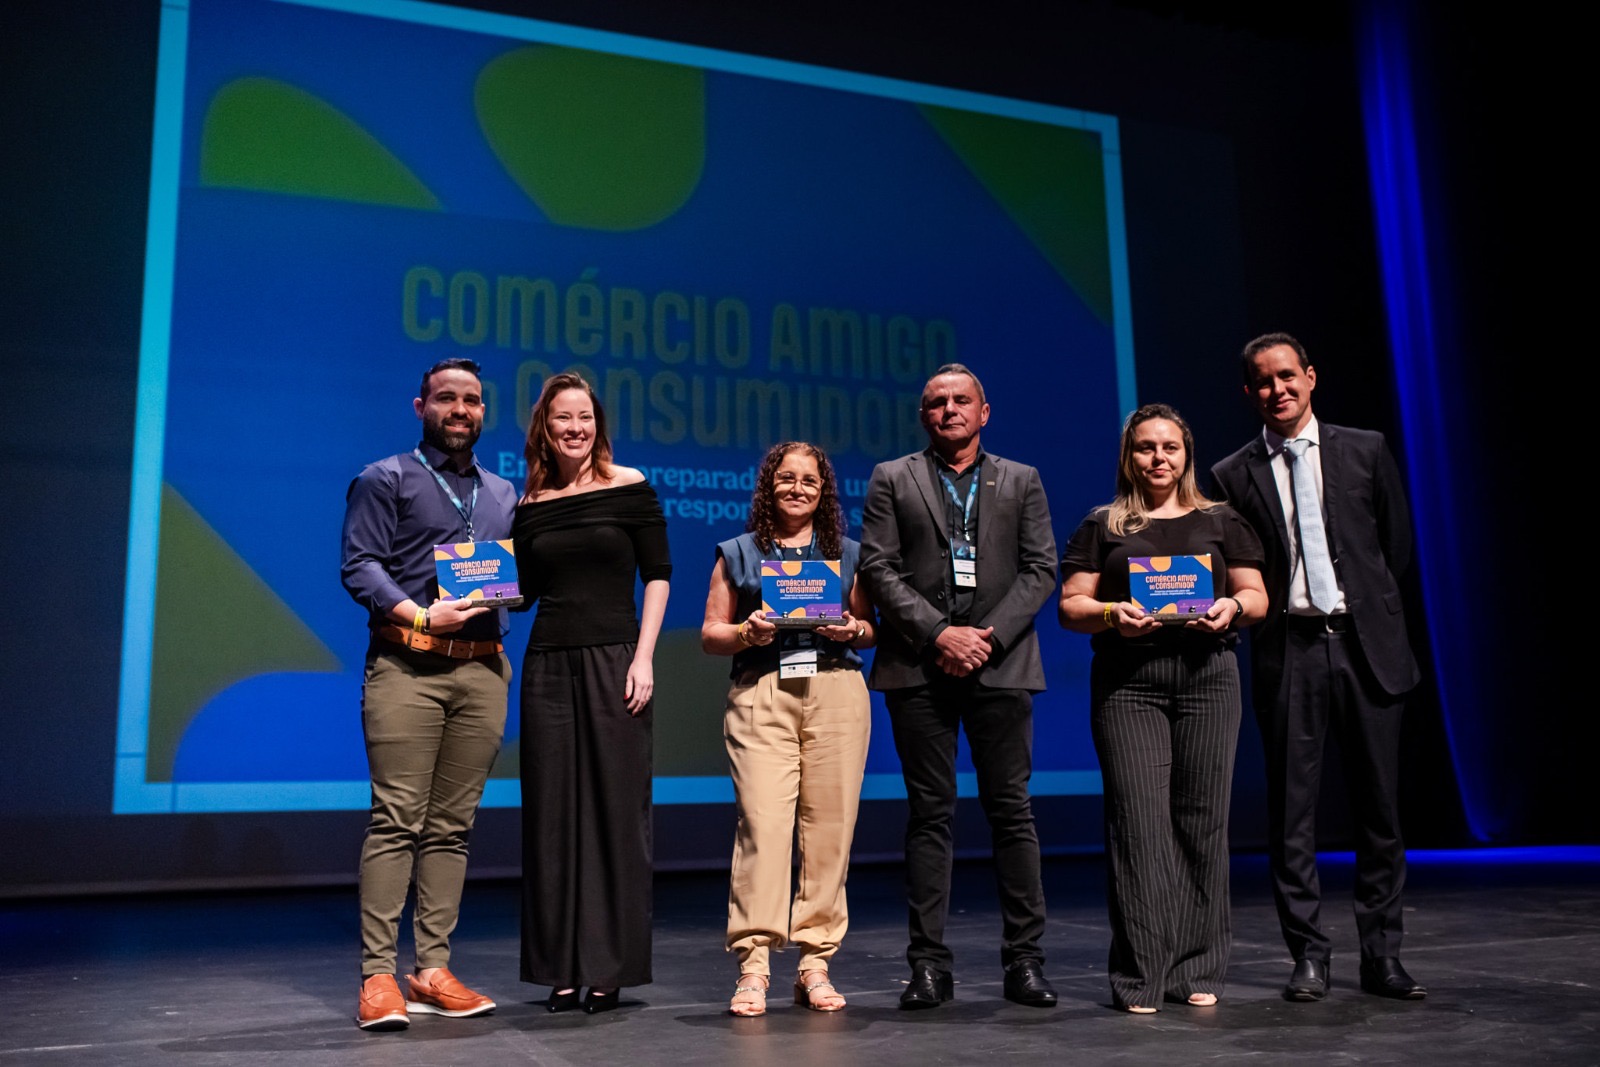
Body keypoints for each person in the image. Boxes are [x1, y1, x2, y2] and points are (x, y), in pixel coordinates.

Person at [1210, 332, 1426, 1002]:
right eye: (1262, 382)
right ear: (1249, 393)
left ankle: (1382, 954)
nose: (1277, 390)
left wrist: (1362, 611)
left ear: (1310, 376)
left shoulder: (1365, 448)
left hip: (1366, 648)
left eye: (1286, 376)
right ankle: (1308, 954)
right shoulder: (1231, 474)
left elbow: (1395, 548)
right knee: (1291, 815)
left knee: (1380, 811)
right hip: (1291, 649)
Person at [859, 363, 1060, 1010]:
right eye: (936, 402)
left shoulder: (1021, 479)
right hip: (919, 666)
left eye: (960, 400)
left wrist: (987, 638)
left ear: (984, 410)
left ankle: (1025, 962)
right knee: (930, 813)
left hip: (1001, 666)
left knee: (1012, 811)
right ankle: (928, 966)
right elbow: (879, 568)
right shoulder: (894, 476)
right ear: (924, 415)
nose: (949, 409)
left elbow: (1041, 569)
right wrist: (940, 633)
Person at [1058, 403, 1267, 1013]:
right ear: (1129, 457)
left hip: (1209, 678)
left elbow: (1255, 594)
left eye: (1169, 447)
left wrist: (1232, 607)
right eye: (1146, 447)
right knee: (1139, 826)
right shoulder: (1103, 526)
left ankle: (1198, 967)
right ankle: (1140, 976)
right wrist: (1108, 614)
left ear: (1186, 454)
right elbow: (1071, 604)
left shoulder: (1221, 519)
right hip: (1130, 684)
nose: (1159, 458)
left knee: (1203, 821)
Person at [340, 357, 516, 1031]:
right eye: (447, 397)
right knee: (396, 820)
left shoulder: (503, 492)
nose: (460, 409)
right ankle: (379, 974)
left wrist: (514, 588)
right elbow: (359, 565)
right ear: (422, 406)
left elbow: (510, 576)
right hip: (408, 664)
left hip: (482, 669)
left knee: (452, 826)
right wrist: (417, 615)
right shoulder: (384, 478)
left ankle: (432, 966)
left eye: (471, 399)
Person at [511, 372, 671, 1015]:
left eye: (583, 417)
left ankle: (607, 967)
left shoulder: (629, 487)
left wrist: (644, 658)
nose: (574, 428)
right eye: (561, 419)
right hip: (547, 664)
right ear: (544, 430)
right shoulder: (529, 504)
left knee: (614, 814)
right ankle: (560, 967)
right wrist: (462, 583)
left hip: (616, 660)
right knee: (551, 817)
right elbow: (518, 594)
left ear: (597, 424)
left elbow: (658, 576)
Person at [701, 442, 878, 1017]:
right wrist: (746, 632)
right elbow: (710, 634)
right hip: (762, 692)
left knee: (830, 831)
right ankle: (753, 966)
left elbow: (869, 629)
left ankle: (814, 963)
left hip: (836, 692)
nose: (798, 488)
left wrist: (852, 629)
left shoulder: (847, 555)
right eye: (786, 478)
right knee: (764, 827)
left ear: (823, 491)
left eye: (810, 480)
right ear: (768, 486)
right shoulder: (739, 552)